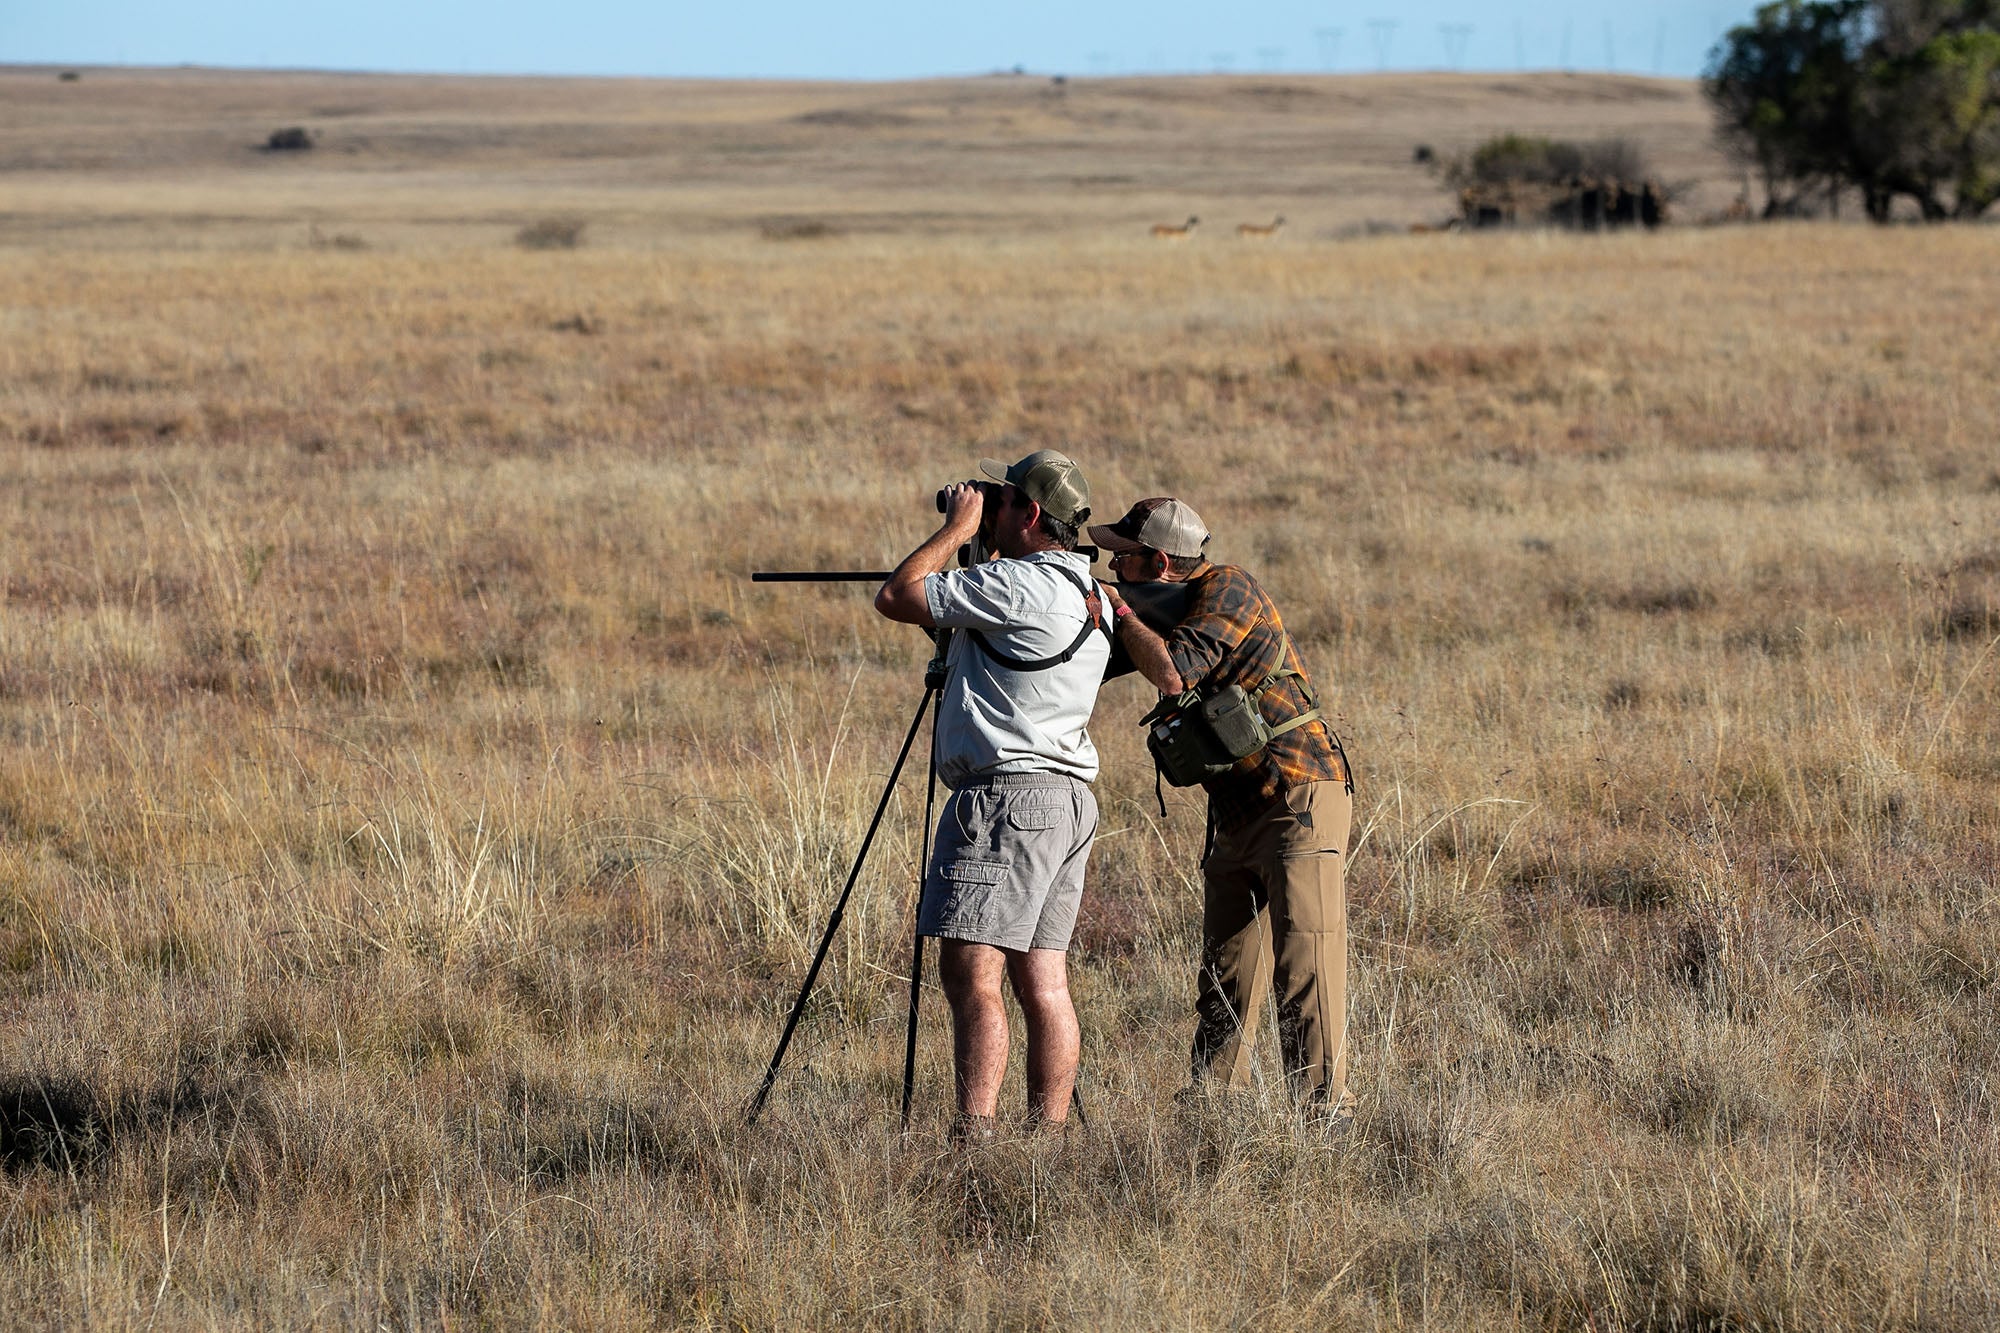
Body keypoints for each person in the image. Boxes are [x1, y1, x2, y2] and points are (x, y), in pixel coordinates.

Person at [875, 450, 1171, 1143]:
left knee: (971, 972)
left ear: (1030, 514)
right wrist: (982, 542)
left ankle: (973, 1141)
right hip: (1068, 802)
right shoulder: (1094, 596)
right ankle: (1047, 1141)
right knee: (1044, 979)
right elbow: (968, 630)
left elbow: (898, 595)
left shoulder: (1013, 586)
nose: (991, 504)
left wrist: (956, 527)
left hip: (1006, 799)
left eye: (1002, 499)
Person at [1087, 497, 1356, 1115]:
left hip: (1296, 793)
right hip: (1235, 813)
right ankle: (1211, 1115)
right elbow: (1081, 665)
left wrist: (1116, 608)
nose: (1109, 564)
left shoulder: (1229, 588)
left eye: (1119, 558)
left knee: (1304, 963)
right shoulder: (1160, 611)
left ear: (1156, 561)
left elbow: (1175, 670)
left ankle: (1324, 1120)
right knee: (1227, 975)